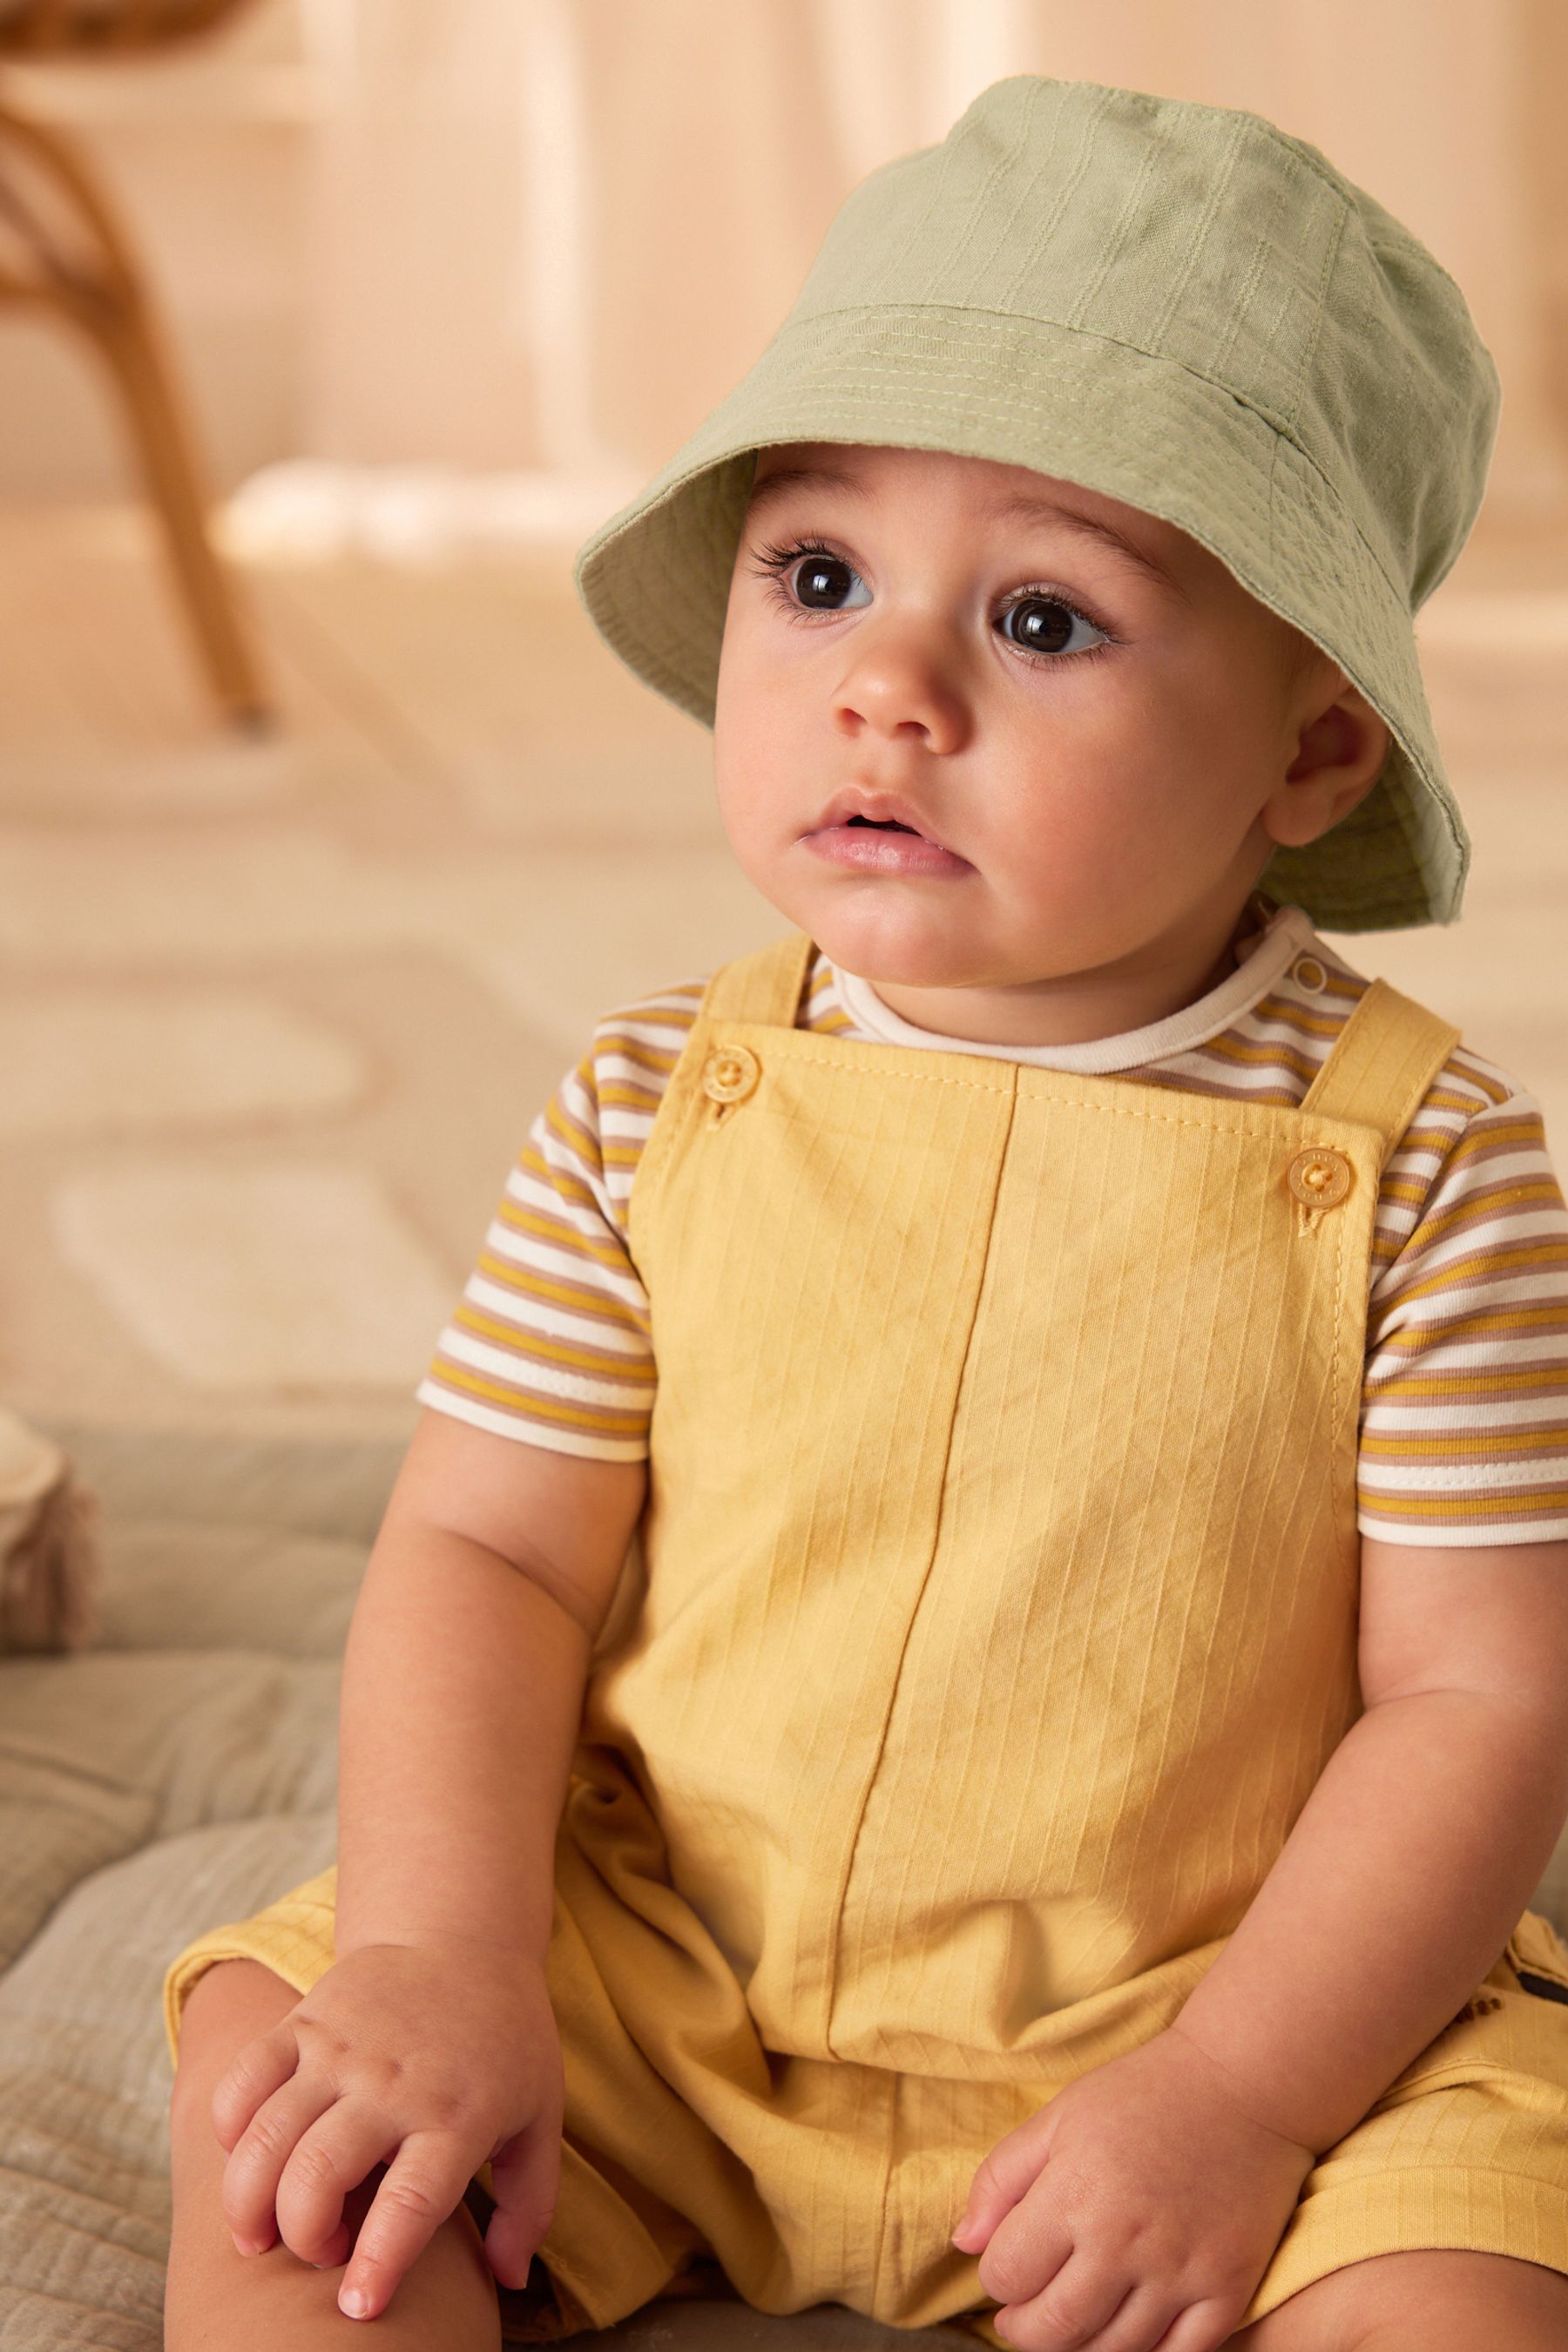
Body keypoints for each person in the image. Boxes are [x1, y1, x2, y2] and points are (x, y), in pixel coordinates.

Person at [159, 74, 1568, 2352]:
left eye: (1043, 616)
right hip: (660, 1967)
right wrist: (444, 1947)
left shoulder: (1431, 1164)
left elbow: (1478, 1704)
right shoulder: (648, 1098)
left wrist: (1237, 2093)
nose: (883, 687)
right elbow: (489, 1552)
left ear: (1315, 750)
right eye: (817, 577)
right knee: (293, 2142)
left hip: (1226, 1987)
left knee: (1475, 2271)